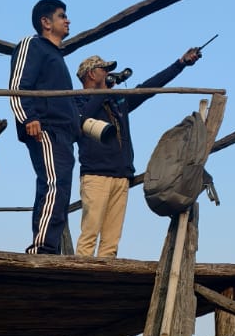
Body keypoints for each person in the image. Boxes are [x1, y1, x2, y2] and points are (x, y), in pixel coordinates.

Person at [74, 44, 204, 257]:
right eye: (103, 69)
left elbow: (149, 88)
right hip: (95, 175)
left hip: (121, 176)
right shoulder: (76, 99)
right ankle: (78, 285)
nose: (108, 73)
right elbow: (82, 118)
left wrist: (180, 64)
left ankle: (102, 285)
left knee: (111, 241)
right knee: (89, 235)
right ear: (91, 73)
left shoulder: (117, 99)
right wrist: (104, 91)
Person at [9, 0, 81, 254]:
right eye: (62, 15)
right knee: (53, 184)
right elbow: (18, 86)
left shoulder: (57, 57)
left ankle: (50, 246)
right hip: (45, 127)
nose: (67, 20)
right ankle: (43, 248)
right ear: (45, 22)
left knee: (61, 188)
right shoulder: (33, 44)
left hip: (64, 133)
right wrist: (28, 118)